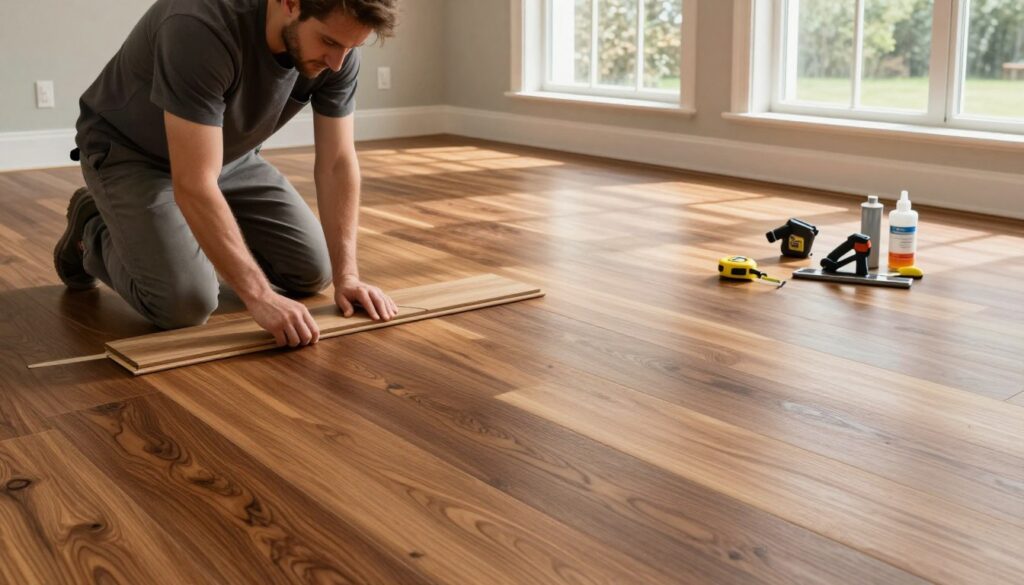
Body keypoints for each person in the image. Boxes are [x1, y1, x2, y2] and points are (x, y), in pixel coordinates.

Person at [54, 0, 400, 348]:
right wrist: (260, 296)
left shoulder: (338, 53)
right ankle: (92, 230)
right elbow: (193, 183)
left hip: (228, 157)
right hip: (131, 155)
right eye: (328, 42)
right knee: (185, 304)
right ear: (290, 3)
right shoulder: (198, 25)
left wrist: (349, 276)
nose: (337, 63)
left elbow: (337, 162)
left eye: (350, 48)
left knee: (313, 273)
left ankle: (172, 234)